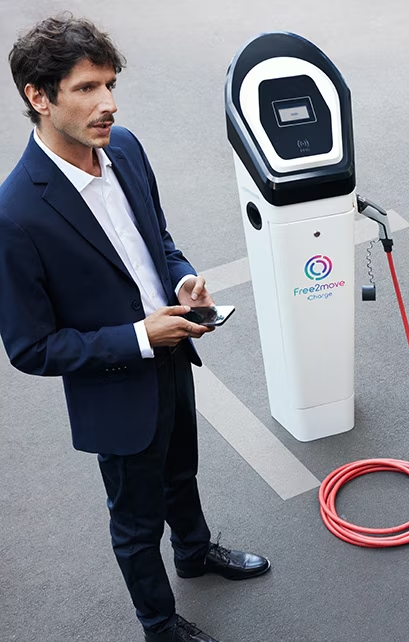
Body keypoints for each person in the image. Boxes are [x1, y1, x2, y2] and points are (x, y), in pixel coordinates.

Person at [0, 14, 269, 642]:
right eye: (87, 88)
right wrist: (142, 337)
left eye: (111, 84)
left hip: (174, 354)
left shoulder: (124, 148)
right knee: (135, 522)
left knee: (181, 472)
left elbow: (158, 240)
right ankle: (158, 623)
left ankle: (194, 553)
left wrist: (182, 280)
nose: (109, 104)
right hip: (117, 389)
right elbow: (31, 347)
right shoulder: (15, 214)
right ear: (38, 97)